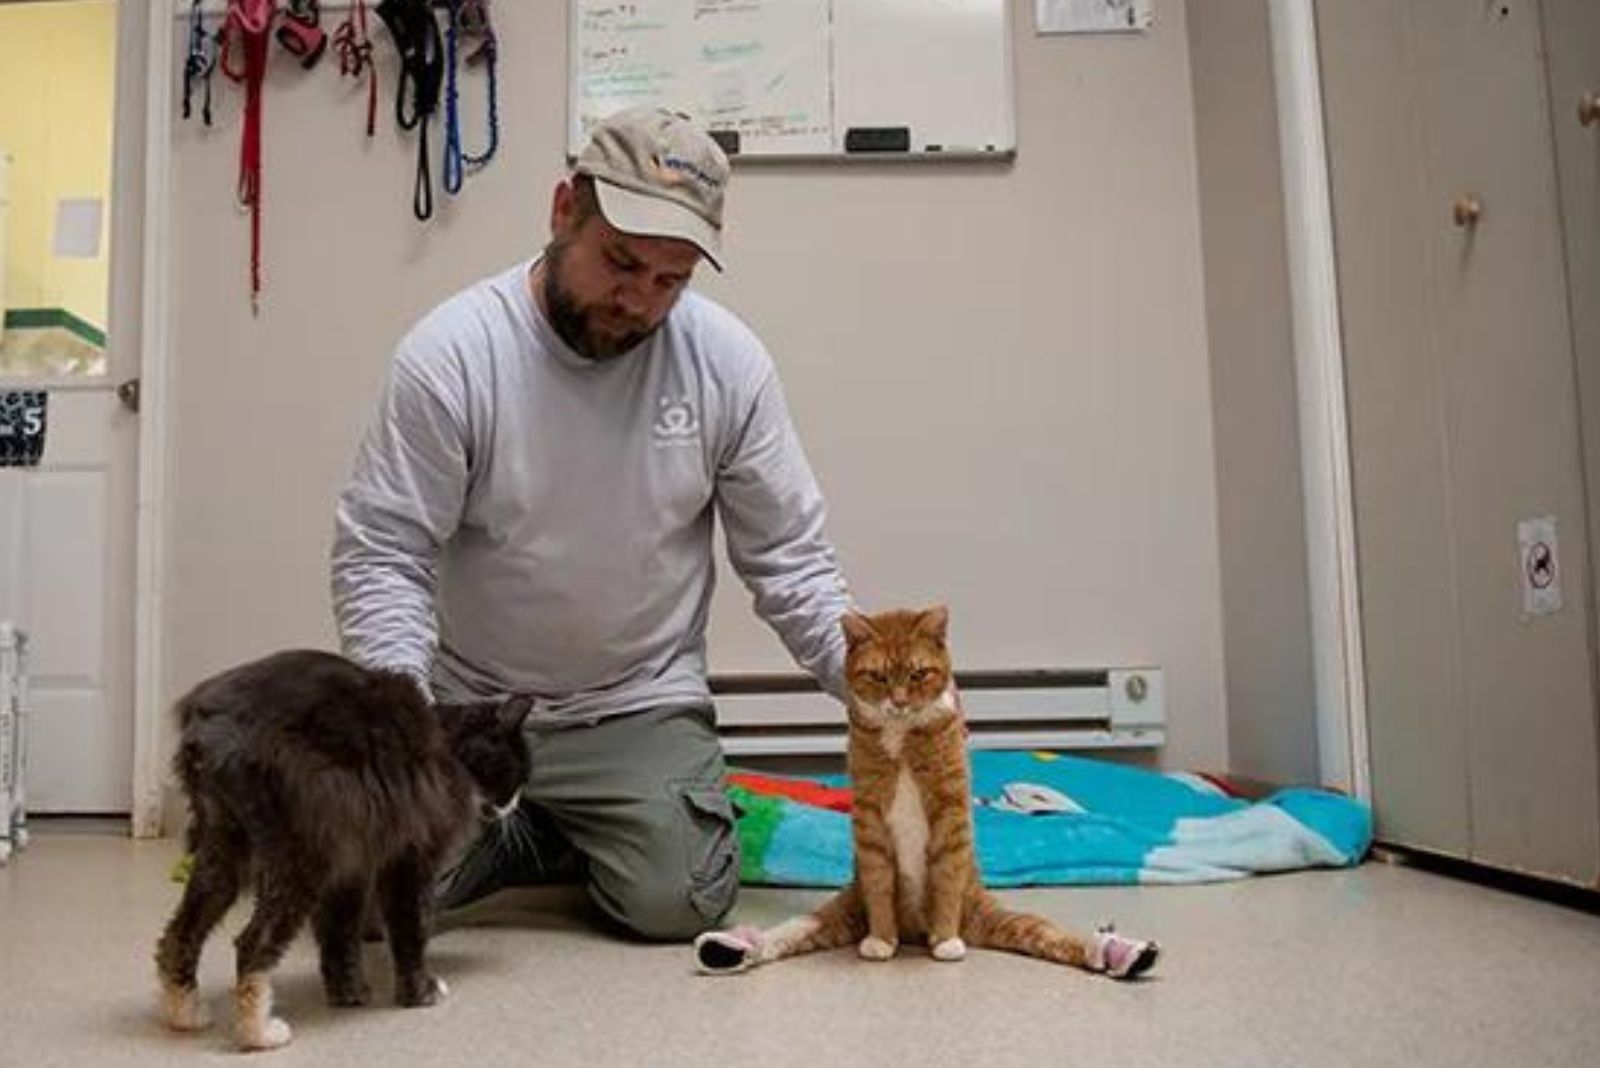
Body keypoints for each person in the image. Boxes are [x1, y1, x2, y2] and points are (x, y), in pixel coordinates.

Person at [330, 106, 852, 941]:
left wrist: (877, 689)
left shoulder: (728, 364)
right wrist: (408, 720)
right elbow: (384, 555)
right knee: (359, 912)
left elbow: (791, 560)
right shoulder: (454, 355)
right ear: (563, 209)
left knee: (675, 903)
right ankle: (517, 835)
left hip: (636, 701)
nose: (640, 300)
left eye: (670, 280)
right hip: (469, 705)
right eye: (621, 262)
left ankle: (556, 833)